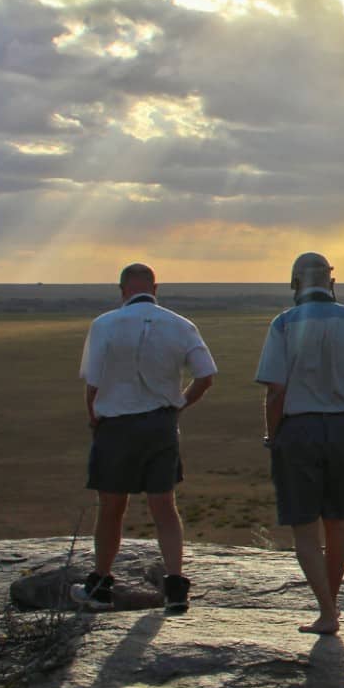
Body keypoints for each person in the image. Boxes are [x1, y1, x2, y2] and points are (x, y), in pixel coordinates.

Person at [72, 263, 216, 613]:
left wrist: (95, 419)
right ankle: (176, 586)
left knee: (111, 507)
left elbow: (92, 384)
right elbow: (206, 375)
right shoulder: (180, 324)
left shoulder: (104, 324)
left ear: (122, 290)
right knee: (164, 506)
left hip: (116, 426)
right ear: (156, 288)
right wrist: (177, 406)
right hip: (160, 425)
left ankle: (101, 585)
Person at [256, 252, 344, 636]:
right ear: (332, 282)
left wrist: (273, 435)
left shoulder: (283, 324)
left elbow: (275, 391)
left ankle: (327, 611)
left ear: (294, 282)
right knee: (339, 524)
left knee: (305, 530)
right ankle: (332, 606)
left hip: (299, 430)